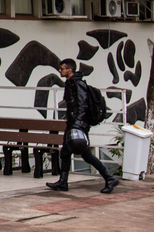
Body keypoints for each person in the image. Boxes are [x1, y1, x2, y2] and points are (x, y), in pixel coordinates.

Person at [46, 59, 120, 194]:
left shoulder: (78, 84)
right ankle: (63, 181)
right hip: (73, 123)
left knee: (86, 155)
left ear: (69, 70)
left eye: (62, 68)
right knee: (65, 152)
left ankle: (110, 178)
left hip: (78, 125)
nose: (60, 71)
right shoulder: (70, 83)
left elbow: (82, 105)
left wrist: (77, 124)